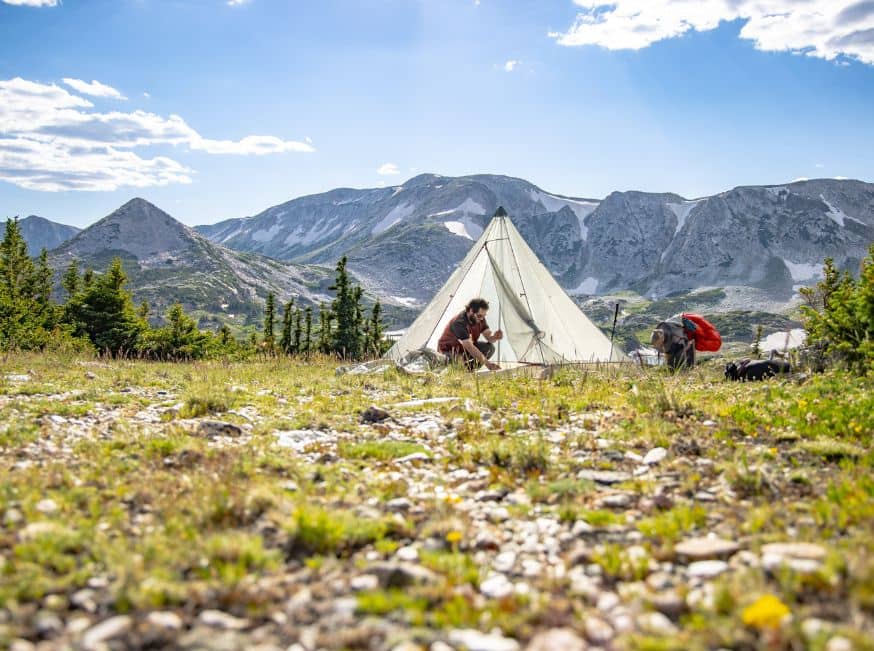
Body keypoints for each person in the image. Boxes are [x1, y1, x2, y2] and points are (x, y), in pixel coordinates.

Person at [437, 298, 503, 371]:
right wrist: (489, 365)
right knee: (459, 359)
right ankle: (461, 370)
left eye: (484, 316)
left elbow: (489, 337)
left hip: (464, 351)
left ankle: (468, 369)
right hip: (448, 352)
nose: (482, 319)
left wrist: (495, 337)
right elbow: (470, 347)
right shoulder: (459, 322)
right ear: (471, 311)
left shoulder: (480, 319)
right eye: (479, 316)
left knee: (490, 348)